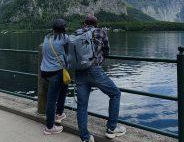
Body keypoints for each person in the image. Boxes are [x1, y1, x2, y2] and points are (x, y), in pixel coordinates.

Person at [75, 14, 126, 142]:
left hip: (79, 72)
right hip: (94, 70)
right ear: (96, 24)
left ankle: (85, 138)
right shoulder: (100, 31)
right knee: (115, 94)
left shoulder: (77, 33)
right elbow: (106, 51)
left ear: (84, 24)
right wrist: (98, 59)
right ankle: (111, 129)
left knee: (82, 105)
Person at [40, 19, 69, 135]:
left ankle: (59, 114)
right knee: (51, 100)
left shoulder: (46, 37)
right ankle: (49, 127)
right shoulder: (64, 38)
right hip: (56, 72)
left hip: (45, 71)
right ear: (63, 28)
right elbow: (68, 52)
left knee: (64, 89)